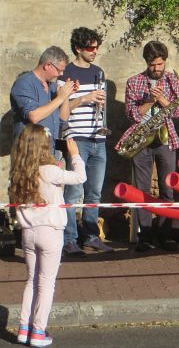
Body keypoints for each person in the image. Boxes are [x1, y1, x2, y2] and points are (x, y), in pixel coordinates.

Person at [9, 124, 86, 347]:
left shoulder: (19, 171)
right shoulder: (49, 171)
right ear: (43, 146)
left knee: (31, 281)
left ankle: (24, 327)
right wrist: (76, 155)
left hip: (28, 233)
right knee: (46, 283)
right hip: (50, 232)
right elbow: (80, 177)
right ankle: (38, 331)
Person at [116, 41, 179, 252]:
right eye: (153, 65)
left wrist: (162, 100)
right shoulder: (134, 81)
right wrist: (150, 101)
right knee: (142, 190)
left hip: (165, 138)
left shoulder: (172, 80)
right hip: (142, 140)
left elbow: (178, 112)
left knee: (167, 188)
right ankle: (145, 236)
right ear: (147, 62)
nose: (157, 69)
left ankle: (166, 234)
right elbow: (132, 114)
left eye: (160, 64)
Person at [58, 27, 113, 256]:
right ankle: (69, 239)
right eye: (90, 47)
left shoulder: (99, 72)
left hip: (97, 138)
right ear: (78, 48)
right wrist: (85, 98)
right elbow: (62, 109)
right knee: (73, 192)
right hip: (77, 137)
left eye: (97, 47)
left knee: (94, 192)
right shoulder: (66, 73)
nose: (95, 51)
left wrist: (100, 105)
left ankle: (91, 237)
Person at [10, 46, 76, 156]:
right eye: (59, 70)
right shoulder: (24, 83)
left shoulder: (52, 86)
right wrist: (60, 98)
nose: (61, 74)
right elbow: (34, 116)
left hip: (51, 154)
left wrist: (65, 96)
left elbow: (62, 120)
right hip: (30, 156)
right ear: (47, 65)